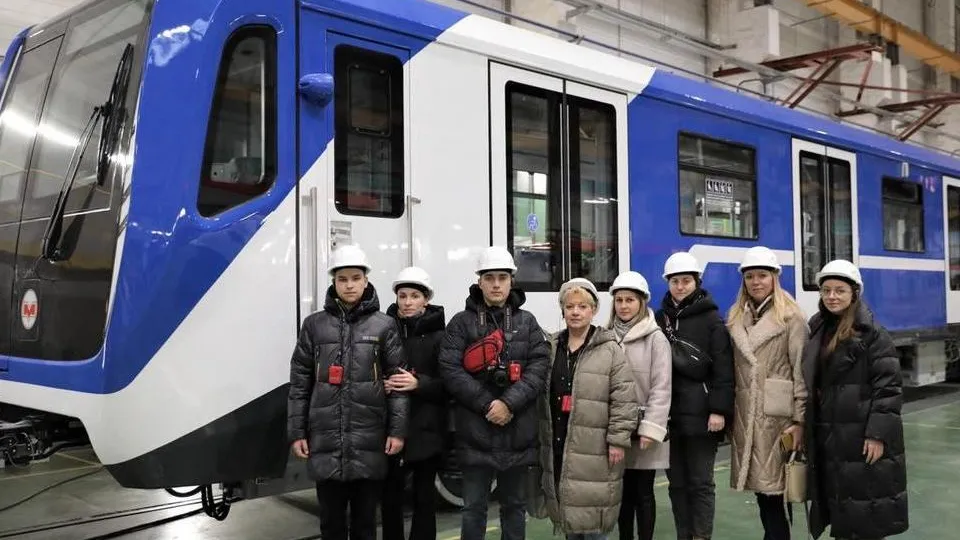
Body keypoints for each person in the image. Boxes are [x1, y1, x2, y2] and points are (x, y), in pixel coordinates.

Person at [287, 245, 409, 540]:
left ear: (366, 280)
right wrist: (297, 432)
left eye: (356, 277)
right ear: (334, 282)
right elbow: (300, 382)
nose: (350, 284)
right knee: (331, 525)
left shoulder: (384, 326)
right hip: (325, 440)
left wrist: (397, 432)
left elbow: (397, 384)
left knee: (366, 525)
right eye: (343, 279)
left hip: (369, 440)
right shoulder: (314, 326)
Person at [438, 246, 551, 540]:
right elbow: (449, 370)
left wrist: (509, 403)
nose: (497, 284)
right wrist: (489, 404)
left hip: (517, 433)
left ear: (512, 280)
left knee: (514, 506)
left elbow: (539, 367)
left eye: (502, 277)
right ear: (479, 282)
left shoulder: (527, 322)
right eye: (490, 278)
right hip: (476, 434)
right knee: (473, 508)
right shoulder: (461, 324)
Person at [803, 260, 908, 540]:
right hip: (832, 434)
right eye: (826, 291)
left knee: (866, 513)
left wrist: (877, 434)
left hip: (860, 435)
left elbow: (888, 388)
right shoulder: (818, 328)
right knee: (842, 506)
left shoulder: (873, 335)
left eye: (840, 290)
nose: (832, 297)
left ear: (854, 294)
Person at [534, 278, 638, 540]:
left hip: (596, 446)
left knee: (592, 517)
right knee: (568, 509)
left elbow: (624, 398)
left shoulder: (610, 349)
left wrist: (617, 440)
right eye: (570, 306)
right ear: (563, 311)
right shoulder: (551, 348)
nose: (576, 312)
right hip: (559, 441)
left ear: (593, 310)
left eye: (583, 306)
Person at [726, 247, 808, 540]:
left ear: (775, 278)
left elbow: (800, 373)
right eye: (750, 276)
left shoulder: (792, 318)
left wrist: (799, 421)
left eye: (762, 275)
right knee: (764, 495)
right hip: (747, 417)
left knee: (776, 495)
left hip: (778, 418)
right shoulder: (737, 317)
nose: (756, 281)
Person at [655, 252, 734, 540]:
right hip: (670, 416)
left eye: (686, 281)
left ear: (696, 282)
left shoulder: (712, 319)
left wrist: (718, 411)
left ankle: (701, 536)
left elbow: (723, 369)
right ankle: (683, 534)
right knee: (676, 483)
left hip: (702, 416)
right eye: (675, 281)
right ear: (668, 283)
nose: (680, 286)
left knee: (701, 482)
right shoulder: (659, 317)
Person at [381, 267, 447, 540]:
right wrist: (380, 386)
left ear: (426, 300)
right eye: (403, 296)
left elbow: (449, 385)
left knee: (424, 500)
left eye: (414, 296)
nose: (407, 302)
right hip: (390, 431)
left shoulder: (441, 338)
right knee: (390, 501)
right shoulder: (384, 332)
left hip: (427, 430)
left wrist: (418, 384)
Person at [606, 271, 672, 540]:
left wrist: (650, 428)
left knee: (643, 492)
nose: (623, 305)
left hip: (643, 430)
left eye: (630, 300)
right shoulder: (606, 336)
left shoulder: (655, 339)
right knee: (621, 493)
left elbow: (661, 387)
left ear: (641, 302)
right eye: (619, 300)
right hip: (616, 429)